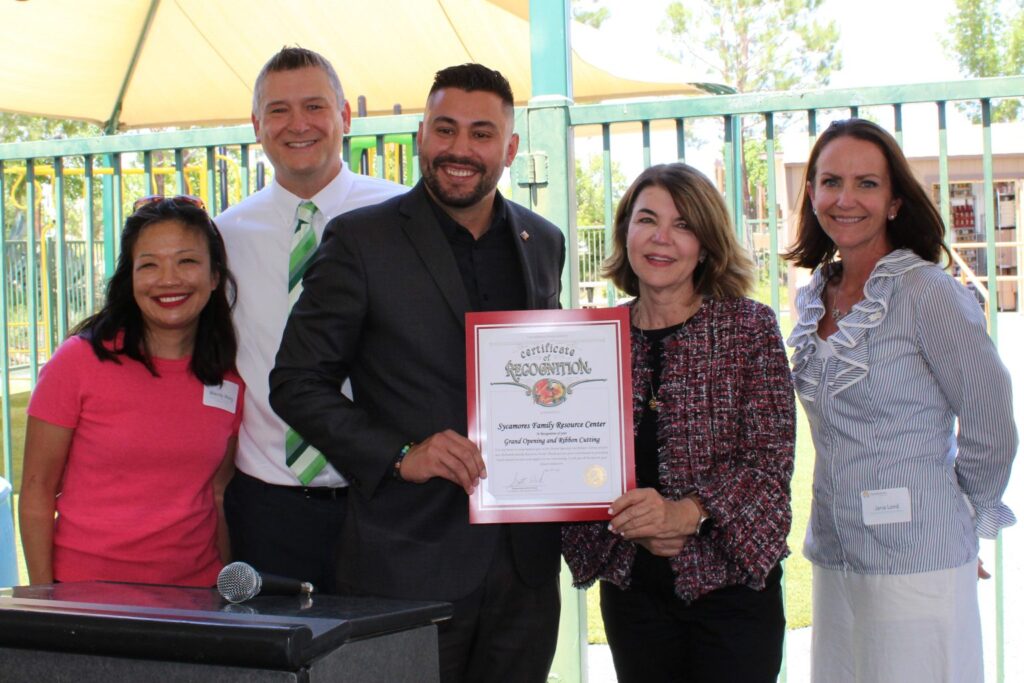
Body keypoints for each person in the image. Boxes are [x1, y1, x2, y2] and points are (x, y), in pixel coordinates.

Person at [270, 63, 565, 682]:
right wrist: (401, 453)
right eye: (445, 129)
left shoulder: (544, 240)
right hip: (407, 564)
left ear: (509, 148)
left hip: (525, 572)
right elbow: (296, 382)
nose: (460, 149)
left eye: (482, 133)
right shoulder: (360, 241)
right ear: (420, 138)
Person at [785, 118, 1018, 683]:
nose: (845, 198)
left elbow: (991, 412)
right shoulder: (816, 295)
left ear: (893, 202)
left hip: (918, 561)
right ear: (812, 194)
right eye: (830, 181)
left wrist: (960, 509)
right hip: (837, 556)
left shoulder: (925, 293)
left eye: (867, 184)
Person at [562, 163, 795, 683]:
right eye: (647, 219)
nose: (661, 238)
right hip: (633, 595)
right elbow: (572, 461)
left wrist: (686, 514)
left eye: (684, 224)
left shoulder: (749, 329)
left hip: (733, 592)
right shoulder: (591, 341)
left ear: (706, 244)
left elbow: (769, 465)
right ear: (625, 232)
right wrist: (631, 523)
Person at [216, 47, 406, 593]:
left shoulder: (403, 219)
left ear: (345, 117)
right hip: (269, 507)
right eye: (278, 110)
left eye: (314, 106)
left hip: (385, 497)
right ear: (256, 125)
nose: (297, 124)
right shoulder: (225, 237)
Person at [19, 195, 241, 586]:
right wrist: (43, 599)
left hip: (195, 602)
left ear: (214, 276)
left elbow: (217, 495)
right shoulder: (78, 362)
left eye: (187, 261)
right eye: (149, 265)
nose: (168, 279)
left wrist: (223, 597)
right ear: (130, 279)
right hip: (88, 601)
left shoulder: (229, 380)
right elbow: (37, 492)